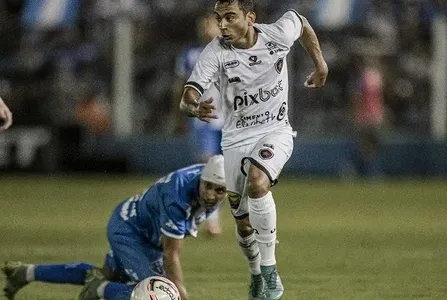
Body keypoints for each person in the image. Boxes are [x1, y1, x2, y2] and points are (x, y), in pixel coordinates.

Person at [179, 1, 328, 299]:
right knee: (243, 222)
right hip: (236, 139)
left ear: (250, 18)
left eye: (230, 17)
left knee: (259, 182)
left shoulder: (277, 34)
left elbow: (300, 22)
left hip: (276, 131)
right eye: (219, 19)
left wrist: (320, 64)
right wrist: (194, 107)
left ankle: (271, 273)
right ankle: (256, 273)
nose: (222, 25)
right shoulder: (216, 51)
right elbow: (188, 96)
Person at [2, 155, 227, 300]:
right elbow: (171, 253)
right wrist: (181, 293)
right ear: (201, 180)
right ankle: (100, 289)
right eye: (208, 187)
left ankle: (26, 272)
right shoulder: (177, 196)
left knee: (106, 274)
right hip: (130, 231)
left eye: (219, 191)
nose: (211, 194)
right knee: (157, 293)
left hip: (142, 232)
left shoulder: (211, 175)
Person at [171, 11, 225, 236]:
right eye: (202, 25)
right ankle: (211, 220)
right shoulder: (189, 55)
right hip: (204, 121)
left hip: (230, 120)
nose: (205, 29)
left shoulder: (232, 52)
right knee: (209, 169)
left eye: (209, 24)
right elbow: (179, 88)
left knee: (229, 172)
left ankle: (208, 214)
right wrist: (178, 117)